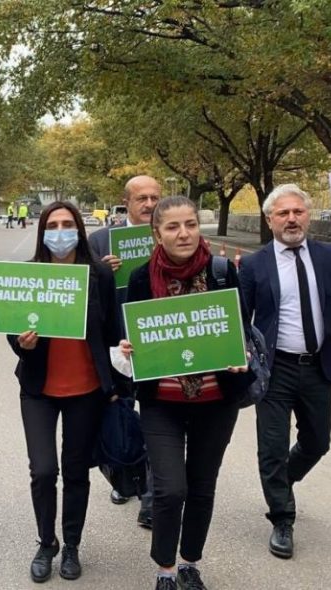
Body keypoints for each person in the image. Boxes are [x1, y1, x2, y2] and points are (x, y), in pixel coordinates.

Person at [239, 183, 331, 559]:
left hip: (319, 367)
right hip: (275, 370)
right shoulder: (255, 264)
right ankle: (282, 519)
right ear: (269, 220)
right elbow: (239, 317)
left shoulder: (328, 256)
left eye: (298, 212)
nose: (292, 219)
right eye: (283, 213)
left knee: (317, 442)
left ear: (307, 215)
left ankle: (282, 481)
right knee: (271, 448)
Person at [118, 196, 254, 590]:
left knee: (201, 485)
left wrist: (239, 354)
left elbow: (241, 328)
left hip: (216, 401)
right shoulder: (143, 278)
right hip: (163, 402)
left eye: (191, 224)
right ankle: (165, 568)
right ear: (156, 233)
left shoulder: (223, 271)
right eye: (173, 227)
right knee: (170, 487)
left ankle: (190, 562)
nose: (184, 234)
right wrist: (128, 349)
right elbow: (132, 335)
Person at [8, 200, 119, 583]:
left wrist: (118, 385)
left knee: (75, 472)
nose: (59, 231)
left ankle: (71, 544)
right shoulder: (29, 274)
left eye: (66, 224)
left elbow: (113, 331)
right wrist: (22, 342)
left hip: (86, 390)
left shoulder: (99, 276)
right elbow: (11, 330)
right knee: (42, 471)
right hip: (38, 388)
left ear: (79, 229)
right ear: (42, 232)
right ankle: (46, 541)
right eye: (52, 225)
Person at [87, 174, 162, 524]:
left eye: (154, 198)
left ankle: (150, 496)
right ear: (127, 202)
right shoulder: (100, 241)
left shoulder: (170, 236)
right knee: (122, 419)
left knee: (156, 421)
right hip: (117, 348)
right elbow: (81, 294)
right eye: (141, 198)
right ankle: (124, 475)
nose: (149, 204)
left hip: (158, 342)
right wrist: (100, 272)